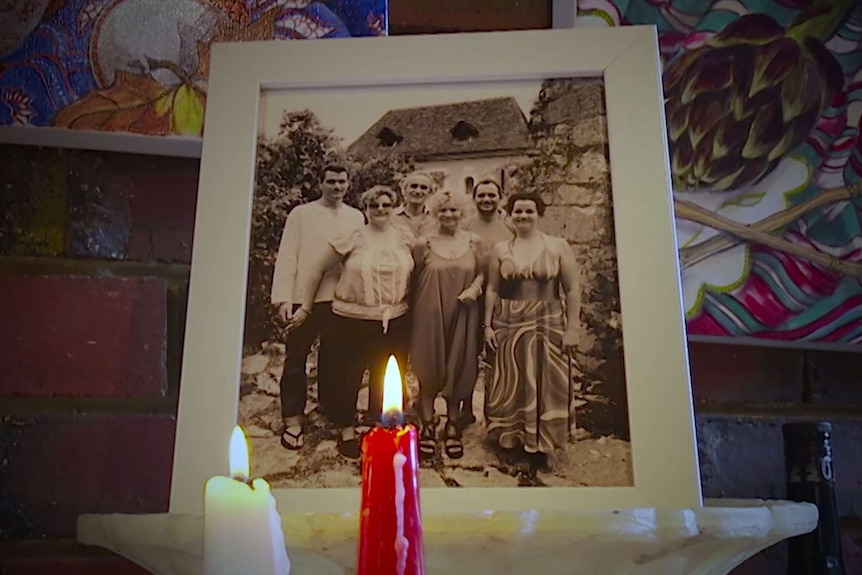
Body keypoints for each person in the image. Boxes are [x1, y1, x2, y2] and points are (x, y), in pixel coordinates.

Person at [289, 184, 413, 459]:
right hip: (352, 320)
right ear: (366, 209)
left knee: (387, 373)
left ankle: (382, 426)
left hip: (394, 320)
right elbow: (317, 269)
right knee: (347, 376)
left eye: (386, 205)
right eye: (374, 205)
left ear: (394, 208)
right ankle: (346, 429)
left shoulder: (404, 237)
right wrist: (306, 305)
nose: (380, 210)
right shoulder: (353, 237)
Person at [270, 163, 364, 451]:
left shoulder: (356, 217)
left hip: (340, 299)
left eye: (342, 182)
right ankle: (293, 418)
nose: (337, 187)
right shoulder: (301, 214)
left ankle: (332, 409)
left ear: (348, 185)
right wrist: (283, 298)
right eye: (331, 182)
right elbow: (288, 255)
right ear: (320, 183)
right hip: (303, 297)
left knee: (336, 360)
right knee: (296, 358)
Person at [483, 191, 580, 466]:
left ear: (539, 214)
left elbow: (572, 290)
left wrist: (573, 328)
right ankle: (510, 439)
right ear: (510, 215)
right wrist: (487, 326)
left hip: (547, 320)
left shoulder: (558, 246)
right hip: (509, 321)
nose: (523, 216)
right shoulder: (502, 249)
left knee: (548, 380)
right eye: (518, 211)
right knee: (510, 380)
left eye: (529, 211)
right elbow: (492, 288)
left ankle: (543, 442)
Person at [410, 189, 485, 460]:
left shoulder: (474, 241)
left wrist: (474, 291)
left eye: (454, 210)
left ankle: (452, 424)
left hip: (464, 312)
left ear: (462, 213)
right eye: (443, 210)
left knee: (460, 366)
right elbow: (415, 278)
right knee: (429, 367)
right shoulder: (423, 244)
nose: (449, 215)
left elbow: (482, 274)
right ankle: (428, 424)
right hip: (429, 312)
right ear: (435, 213)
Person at [462, 178, 515, 427]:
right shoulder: (466, 227)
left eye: (491, 195)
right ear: (474, 199)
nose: (486, 200)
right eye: (481, 195)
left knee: (498, 354)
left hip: (501, 299)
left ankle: (496, 411)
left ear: (500, 197)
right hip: (471, 298)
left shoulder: (510, 229)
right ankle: (464, 405)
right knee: (467, 354)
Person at [392, 171, 437, 241]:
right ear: (404, 190)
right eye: (413, 186)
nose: (418, 191)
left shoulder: (436, 218)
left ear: (430, 192)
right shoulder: (391, 217)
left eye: (423, 187)